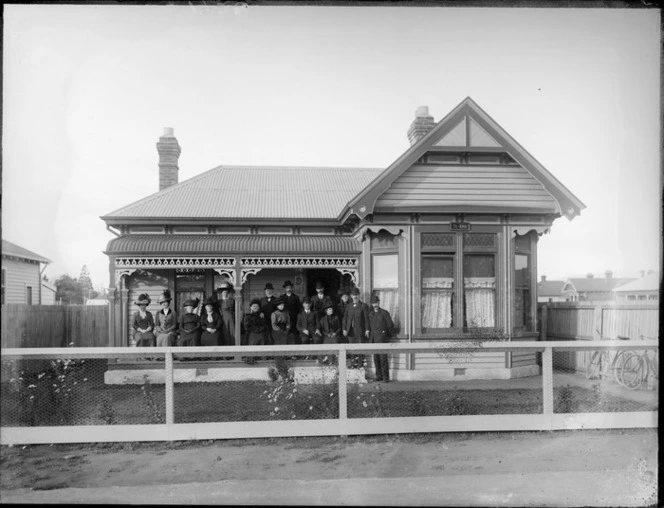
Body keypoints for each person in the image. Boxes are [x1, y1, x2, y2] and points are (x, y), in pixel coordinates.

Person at [368, 294, 395, 383]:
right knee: (376, 358)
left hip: (382, 339)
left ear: (379, 303)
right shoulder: (371, 314)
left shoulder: (384, 313)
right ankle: (379, 376)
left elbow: (390, 325)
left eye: (376, 302)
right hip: (374, 339)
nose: (374, 305)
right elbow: (369, 326)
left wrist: (387, 336)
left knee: (383, 358)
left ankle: (385, 378)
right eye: (373, 303)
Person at [342, 287, 370, 368]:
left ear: (359, 295)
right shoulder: (349, 306)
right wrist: (344, 329)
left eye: (357, 295)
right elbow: (345, 318)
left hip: (360, 331)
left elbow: (366, 319)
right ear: (351, 296)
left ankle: (360, 365)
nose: (355, 297)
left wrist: (367, 330)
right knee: (352, 349)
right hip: (350, 331)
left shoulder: (363, 306)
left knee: (360, 348)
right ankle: (353, 365)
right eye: (354, 295)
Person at [243, 298, 266, 364]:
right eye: (254, 306)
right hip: (251, 334)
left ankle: (262, 359)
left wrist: (260, 329)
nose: (255, 308)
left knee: (261, 340)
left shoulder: (261, 315)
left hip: (260, 333)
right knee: (252, 344)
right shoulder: (247, 316)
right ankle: (251, 358)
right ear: (250, 307)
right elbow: (246, 327)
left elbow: (264, 325)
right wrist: (255, 330)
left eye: (257, 306)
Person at [281, 280, 301, 344]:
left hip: (294, 318)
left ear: (292, 288)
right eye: (287, 287)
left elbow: (299, 308)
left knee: (295, 334)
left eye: (289, 287)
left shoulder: (296, 297)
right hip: (285, 318)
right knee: (286, 334)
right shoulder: (282, 297)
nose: (288, 289)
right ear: (285, 289)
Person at [218, 282, 235, 348]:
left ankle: (233, 347)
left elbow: (235, 310)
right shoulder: (219, 301)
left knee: (232, 332)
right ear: (222, 293)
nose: (225, 293)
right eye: (224, 292)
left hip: (230, 317)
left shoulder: (232, 301)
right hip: (223, 318)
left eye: (226, 292)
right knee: (224, 333)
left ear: (228, 293)